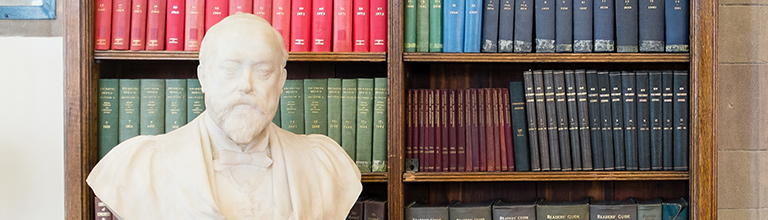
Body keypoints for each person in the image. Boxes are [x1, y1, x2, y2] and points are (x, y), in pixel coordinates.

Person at [87, 14, 362, 219]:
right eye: (230, 69)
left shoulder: (325, 164)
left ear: (281, 81)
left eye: (263, 71)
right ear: (202, 78)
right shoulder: (142, 167)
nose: (246, 85)